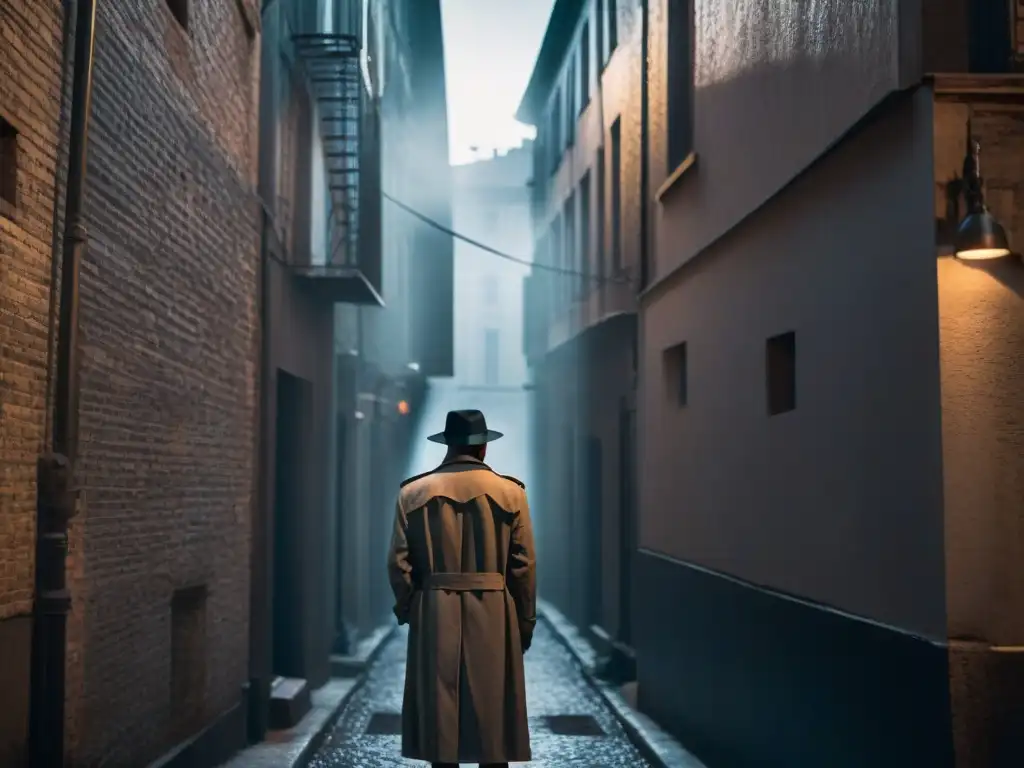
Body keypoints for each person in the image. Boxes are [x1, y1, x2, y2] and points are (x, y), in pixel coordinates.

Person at [387, 409, 536, 768]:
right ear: (483, 449)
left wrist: (410, 607)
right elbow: (523, 566)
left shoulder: (413, 493)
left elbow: (398, 563)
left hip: (434, 606)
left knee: (440, 708)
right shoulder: (511, 493)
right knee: (491, 708)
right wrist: (524, 621)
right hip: (494, 609)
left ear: (448, 445)